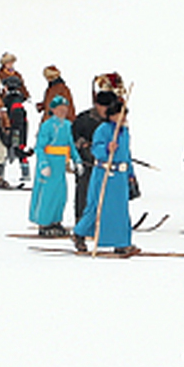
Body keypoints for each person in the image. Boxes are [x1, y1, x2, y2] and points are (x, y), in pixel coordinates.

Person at [73, 92, 139, 254]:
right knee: (97, 207)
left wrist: (131, 175)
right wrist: (106, 149)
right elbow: (96, 149)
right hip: (105, 174)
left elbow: (126, 155)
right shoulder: (103, 130)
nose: (123, 118)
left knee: (120, 211)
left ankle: (122, 242)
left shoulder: (124, 132)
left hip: (120, 178)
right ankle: (79, 234)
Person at [29, 95, 76, 235]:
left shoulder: (67, 125)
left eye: (65, 109)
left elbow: (71, 145)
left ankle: (56, 220)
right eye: (60, 109)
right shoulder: (47, 126)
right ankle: (44, 222)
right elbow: (39, 147)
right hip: (49, 162)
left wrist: (77, 160)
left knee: (61, 194)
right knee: (47, 194)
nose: (63, 111)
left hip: (60, 164)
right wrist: (43, 164)